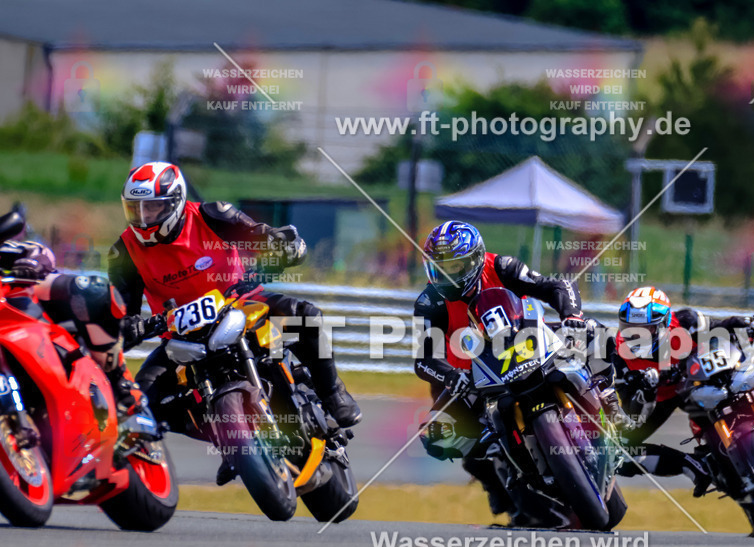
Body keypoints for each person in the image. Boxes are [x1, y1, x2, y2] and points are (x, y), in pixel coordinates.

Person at [107, 161, 361, 484]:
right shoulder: (123, 251)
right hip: (180, 338)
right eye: (136, 209)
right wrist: (127, 327)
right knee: (140, 400)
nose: (144, 218)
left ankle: (333, 393)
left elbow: (257, 235)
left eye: (153, 208)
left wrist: (280, 246)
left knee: (308, 317)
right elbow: (121, 313)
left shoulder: (212, 214)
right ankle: (225, 439)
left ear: (175, 202)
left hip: (241, 303)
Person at [413, 220, 600, 522]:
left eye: (455, 266)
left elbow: (557, 285)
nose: (447, 275)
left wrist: (572, 316)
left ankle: (609, 398)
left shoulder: (501, 266)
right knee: (438, 437)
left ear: (475, 260)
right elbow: (423, 359)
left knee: (597, 335)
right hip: (474, 376)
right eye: (439, 268)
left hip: (529, 342)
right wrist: (450, 376)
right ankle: (505, 496)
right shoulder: (429, 301)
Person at [612, 286, 754, 495]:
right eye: (630, 327)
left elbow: (723, 327)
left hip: (694, 381)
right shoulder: (619, 353)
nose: (636, 335)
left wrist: (752, 323)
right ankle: (691, 465)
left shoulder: (687, 321)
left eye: (646, 328)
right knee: (618, 452)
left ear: (664, 323)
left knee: (753, 358)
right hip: (659, 397)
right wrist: (646, 391)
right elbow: (631, 410)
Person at [0, 210, 147, 432]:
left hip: (16, 306)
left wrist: (32, 264)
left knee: (89, 290)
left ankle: (120, 382)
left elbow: (40, 252)